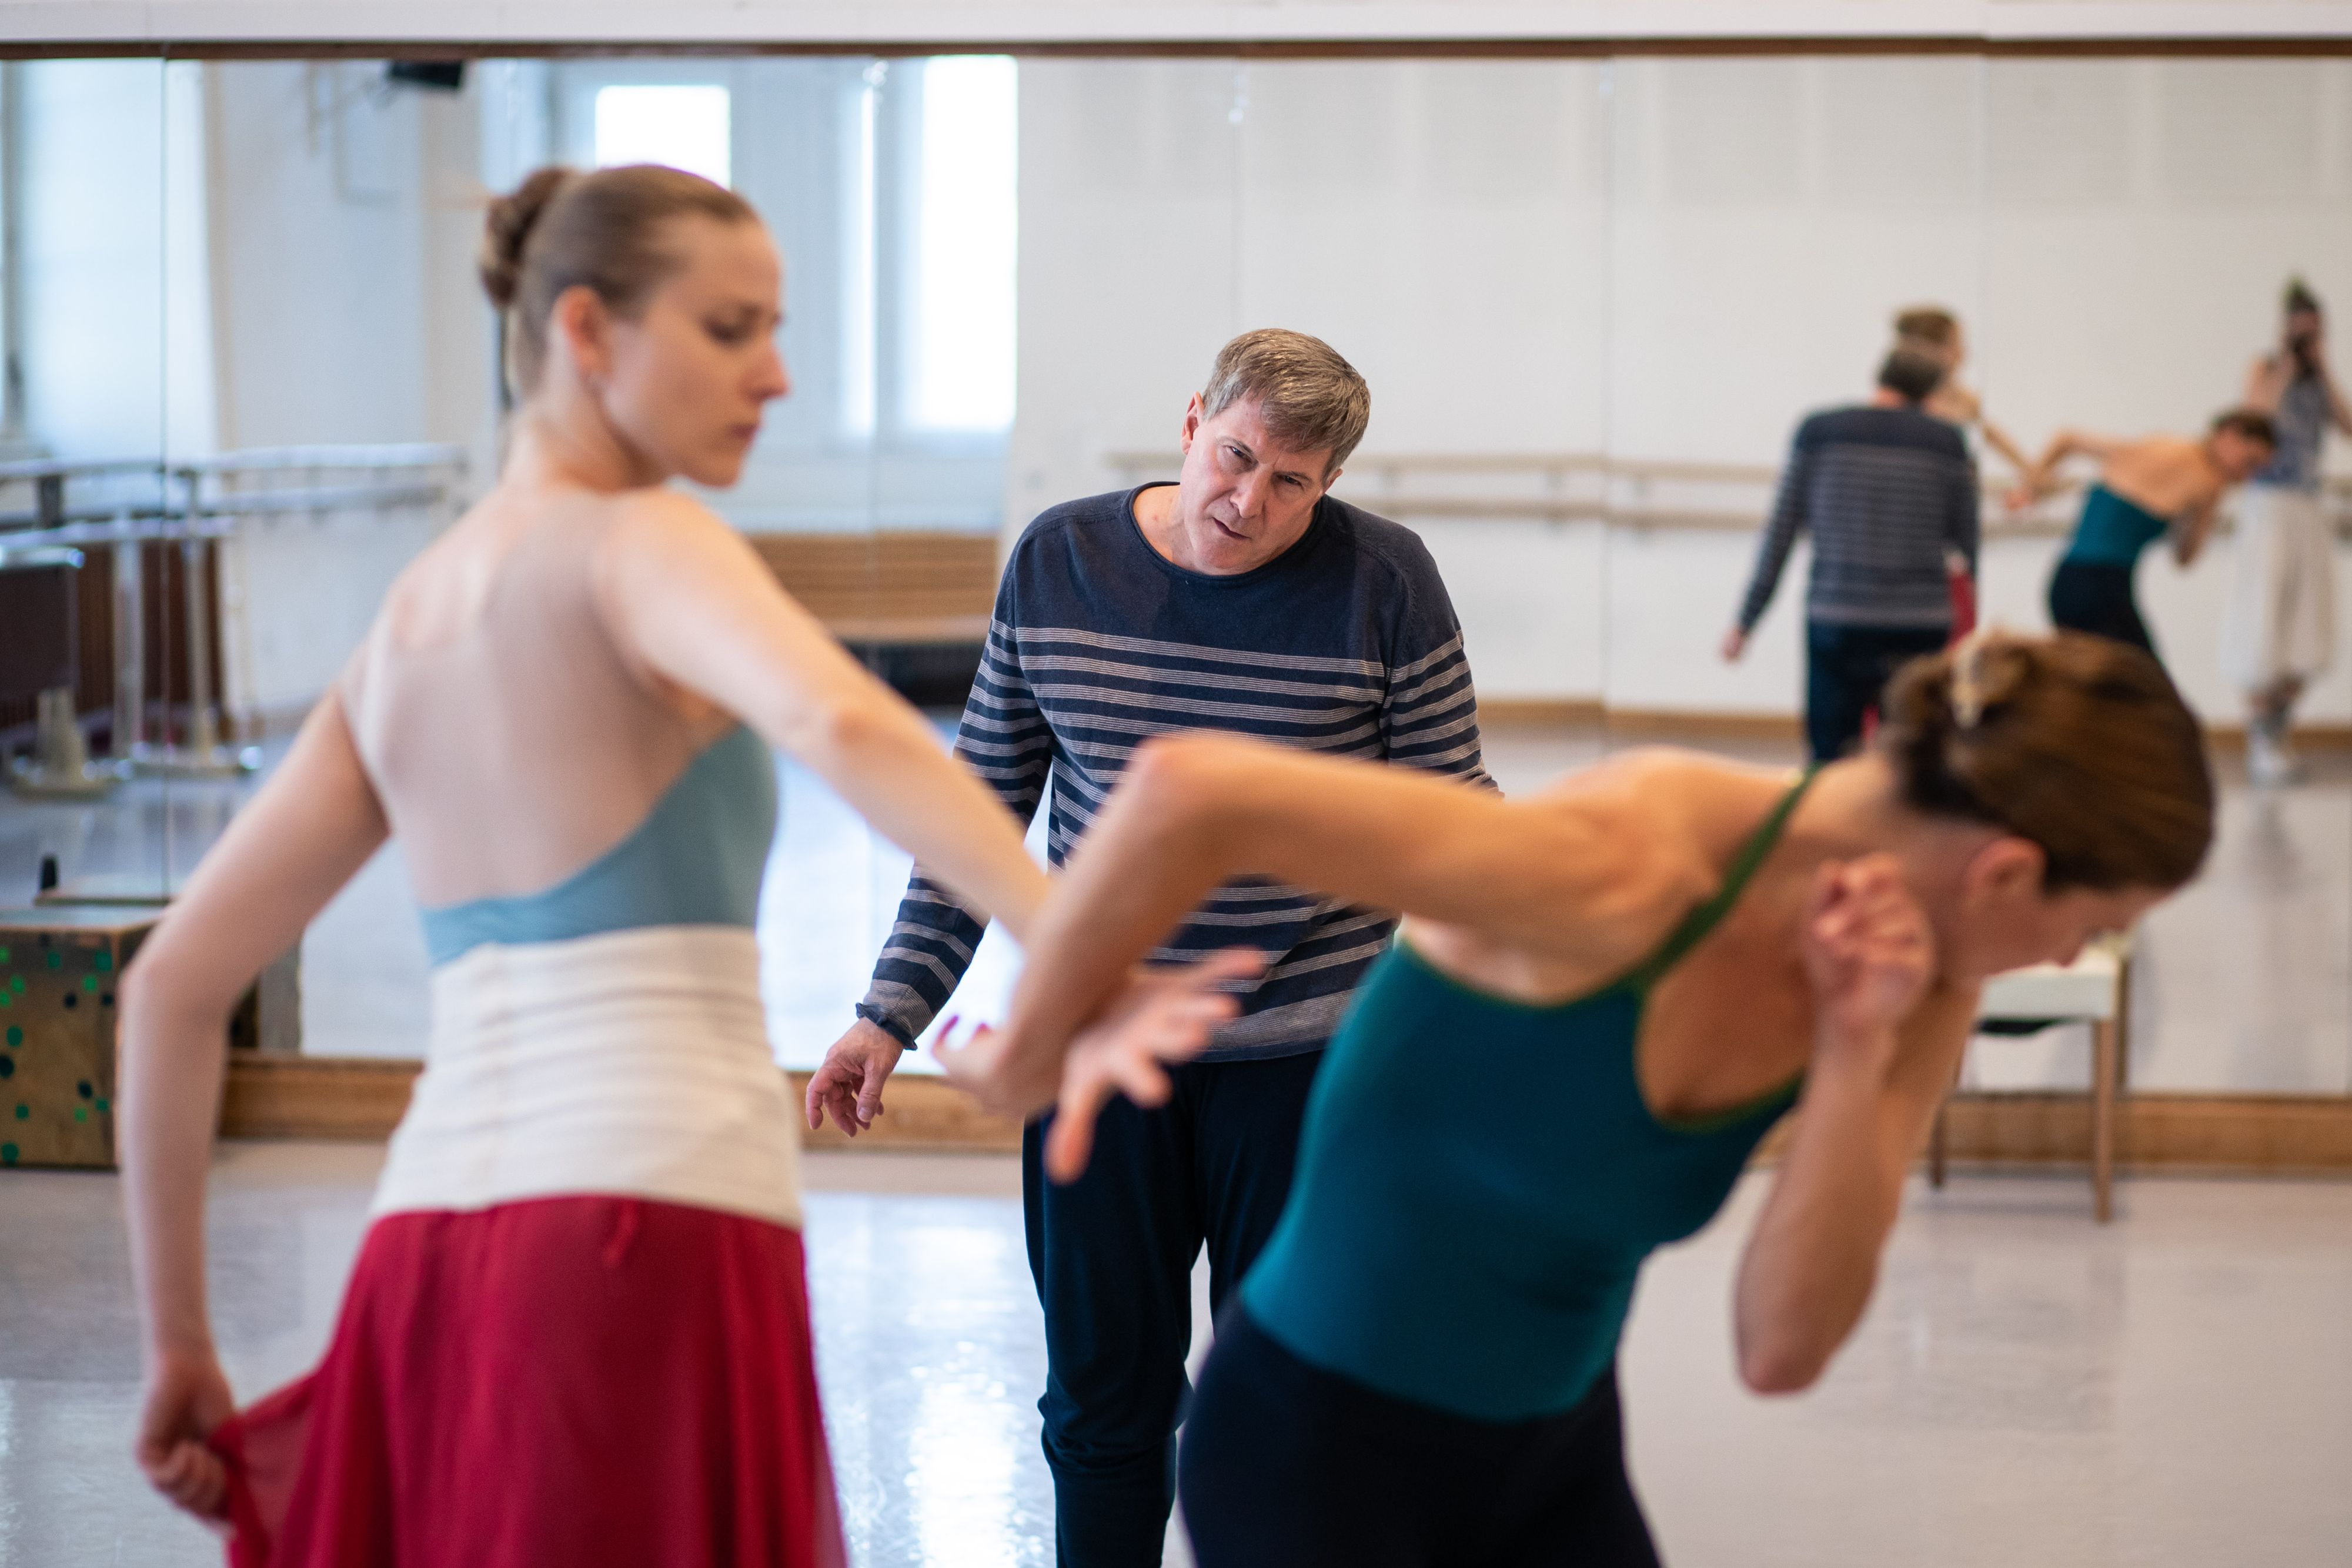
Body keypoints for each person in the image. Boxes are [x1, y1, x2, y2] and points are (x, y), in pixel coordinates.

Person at [117, 165, 1237, 1567]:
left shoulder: (407, 621)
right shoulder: (639, 538)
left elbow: (170, 990)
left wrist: (177, 1346)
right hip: (638, 1232)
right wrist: (1088, 962)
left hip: (420, 1257)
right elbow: (841, 720)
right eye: (730, 328)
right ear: (585, 332)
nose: (773, 376)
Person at [947, 629, 2215, 1568]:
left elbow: (1781, 1345)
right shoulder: (1632, 858)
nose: (2063, 964)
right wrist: (1025, 1053)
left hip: (1551, 1462)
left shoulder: (1915, 987)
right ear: (2003, 872)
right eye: (2085, 927)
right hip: (1313, 1464)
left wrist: (1849, 1050)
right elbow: (1190, 791)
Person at [804, 328, 1491, 1567]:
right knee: (1101, 1409)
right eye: (1233, 458)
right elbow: (980, 812)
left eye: (1291, 483)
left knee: (1287, 1406)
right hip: (1099, 1050)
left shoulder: (1384, 580)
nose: (1248, 501)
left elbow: (1456, 826)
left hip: (1301, 1057)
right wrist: (887, 1012)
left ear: (1328, 483)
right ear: (1191, 421)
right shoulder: (1060, 560)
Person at [1723, 345, 1981, 764]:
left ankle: (1828, 826)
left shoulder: (1818, 432)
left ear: (1880, 379)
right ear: (1929, 394)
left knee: (1830, 755)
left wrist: (1746, 622)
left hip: (1837, 618)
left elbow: (1781, 533)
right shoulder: (1947, 442)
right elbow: (1967, 543)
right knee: (1913, 757)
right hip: (1919, 624)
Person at [2023, 409, 2278, 664]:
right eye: (2250, 462)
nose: (2247, 476)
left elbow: (2068, 439)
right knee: (2144, 686)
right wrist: (2030, 488)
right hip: (2096, 588)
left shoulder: (2180, 463)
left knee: (2110, 688)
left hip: (2077, 584)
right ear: (2229, 436)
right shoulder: (2190, 466)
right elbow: (2185, 558)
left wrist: (2031, 488)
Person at [2226, 279, 2350, 785]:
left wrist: (2323, 369)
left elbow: (2347, 427)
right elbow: (2254, 423)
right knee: (2264, 624)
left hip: (2307, 505)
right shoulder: (2265, 369)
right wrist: (2286, 367)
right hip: (2268, 506)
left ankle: (2280, 728)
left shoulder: (2320, 378)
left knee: (2305, 627)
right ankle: (2260, 733)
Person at [1892, 305, 2033, 480]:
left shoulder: (1964, 398)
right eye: (1955, 343)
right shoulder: (1905, 401)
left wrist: (2031, 471)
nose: (1963, 352)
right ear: (1930, 349)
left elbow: (1997, 438)